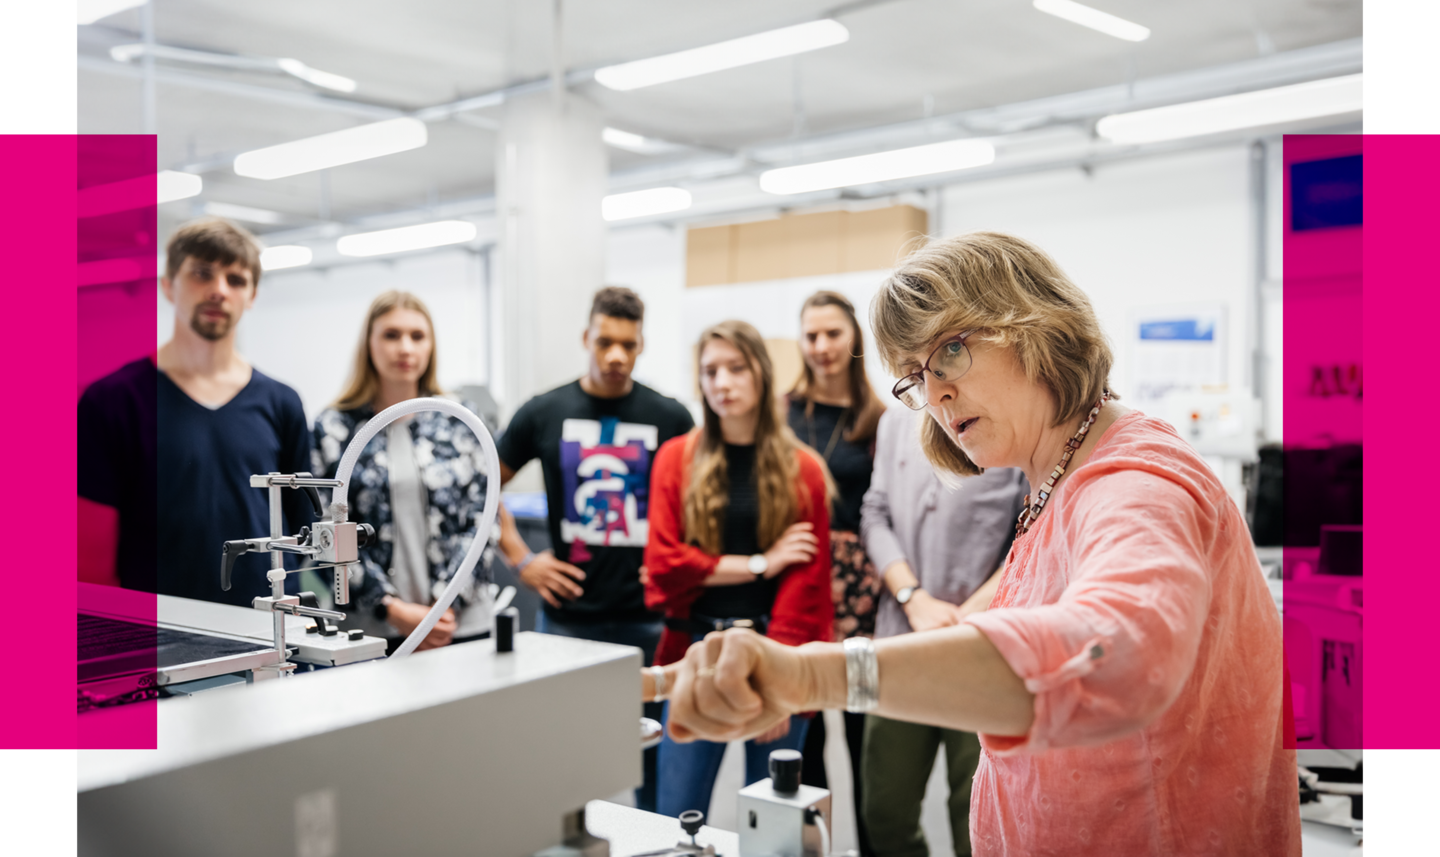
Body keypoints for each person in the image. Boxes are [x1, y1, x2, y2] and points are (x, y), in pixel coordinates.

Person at [649, 232, 1299, 856]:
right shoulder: (1056, 474)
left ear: (1034, 327)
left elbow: (1118, 656)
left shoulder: (1133, 480)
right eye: (914, 377)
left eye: (950, 352)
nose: (934, 394)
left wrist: (810, 673)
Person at [494, 286, 693, 812]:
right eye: (605, 341)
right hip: (567, 619)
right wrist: (521, 558)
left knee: (652, 758)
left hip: (648, 619)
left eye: (627, 344)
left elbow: (697, 502)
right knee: (564, 761)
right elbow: (482, 485)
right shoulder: (543, 412)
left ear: (641, 344)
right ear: (586, 337)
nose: (615, 356)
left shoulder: (670, 417)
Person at [644, 320, 833, 819]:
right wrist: (759, 564)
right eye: (710, 371)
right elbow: (663, 566)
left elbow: (808, 583)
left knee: (771, 824)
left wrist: (785, 680)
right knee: (677, 816)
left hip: (774, 651)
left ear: (761, 374)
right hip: (695, 654)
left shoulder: (804, 468)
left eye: (735, 368)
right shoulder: (675, 459)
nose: (721, 383)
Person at [78, 217, 313, 604]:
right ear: (168, 285)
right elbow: (90, 552)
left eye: (235, 280)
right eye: (202, 274)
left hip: (265, 631)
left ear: (252, 295)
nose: (219, 290)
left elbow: (300, 528)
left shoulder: (282, 403)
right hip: (157, 636)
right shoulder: (111, 400)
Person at [858, 406, 1027, 857]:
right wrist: (913, 598)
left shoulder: (1007, 417)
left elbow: (1033, 530)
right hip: (901, 643)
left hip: (981, 652)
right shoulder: (895, 421)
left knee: (973, 817)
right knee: (884, 811)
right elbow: (875, 514)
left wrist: (969, 614)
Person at [311, 291, 493, 653]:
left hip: (459, 625)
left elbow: (484, 519)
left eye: (417, 336)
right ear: (369, 344)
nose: (405, 348)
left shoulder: (459, 421)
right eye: (391, 335)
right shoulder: (334, 428)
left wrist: (441, 609)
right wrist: (390, 607)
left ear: (431, 347)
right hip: (370, 632)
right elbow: (323, 532)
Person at [785, 291, 885, 855]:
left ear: (854, 341)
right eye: (812, 335)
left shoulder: (880, 420)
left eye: (833, 335)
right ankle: (814, 847)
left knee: (862, 734)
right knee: (808, 738)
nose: (822, 347)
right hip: (800, 583)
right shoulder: (782, 413)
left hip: (863, 596)